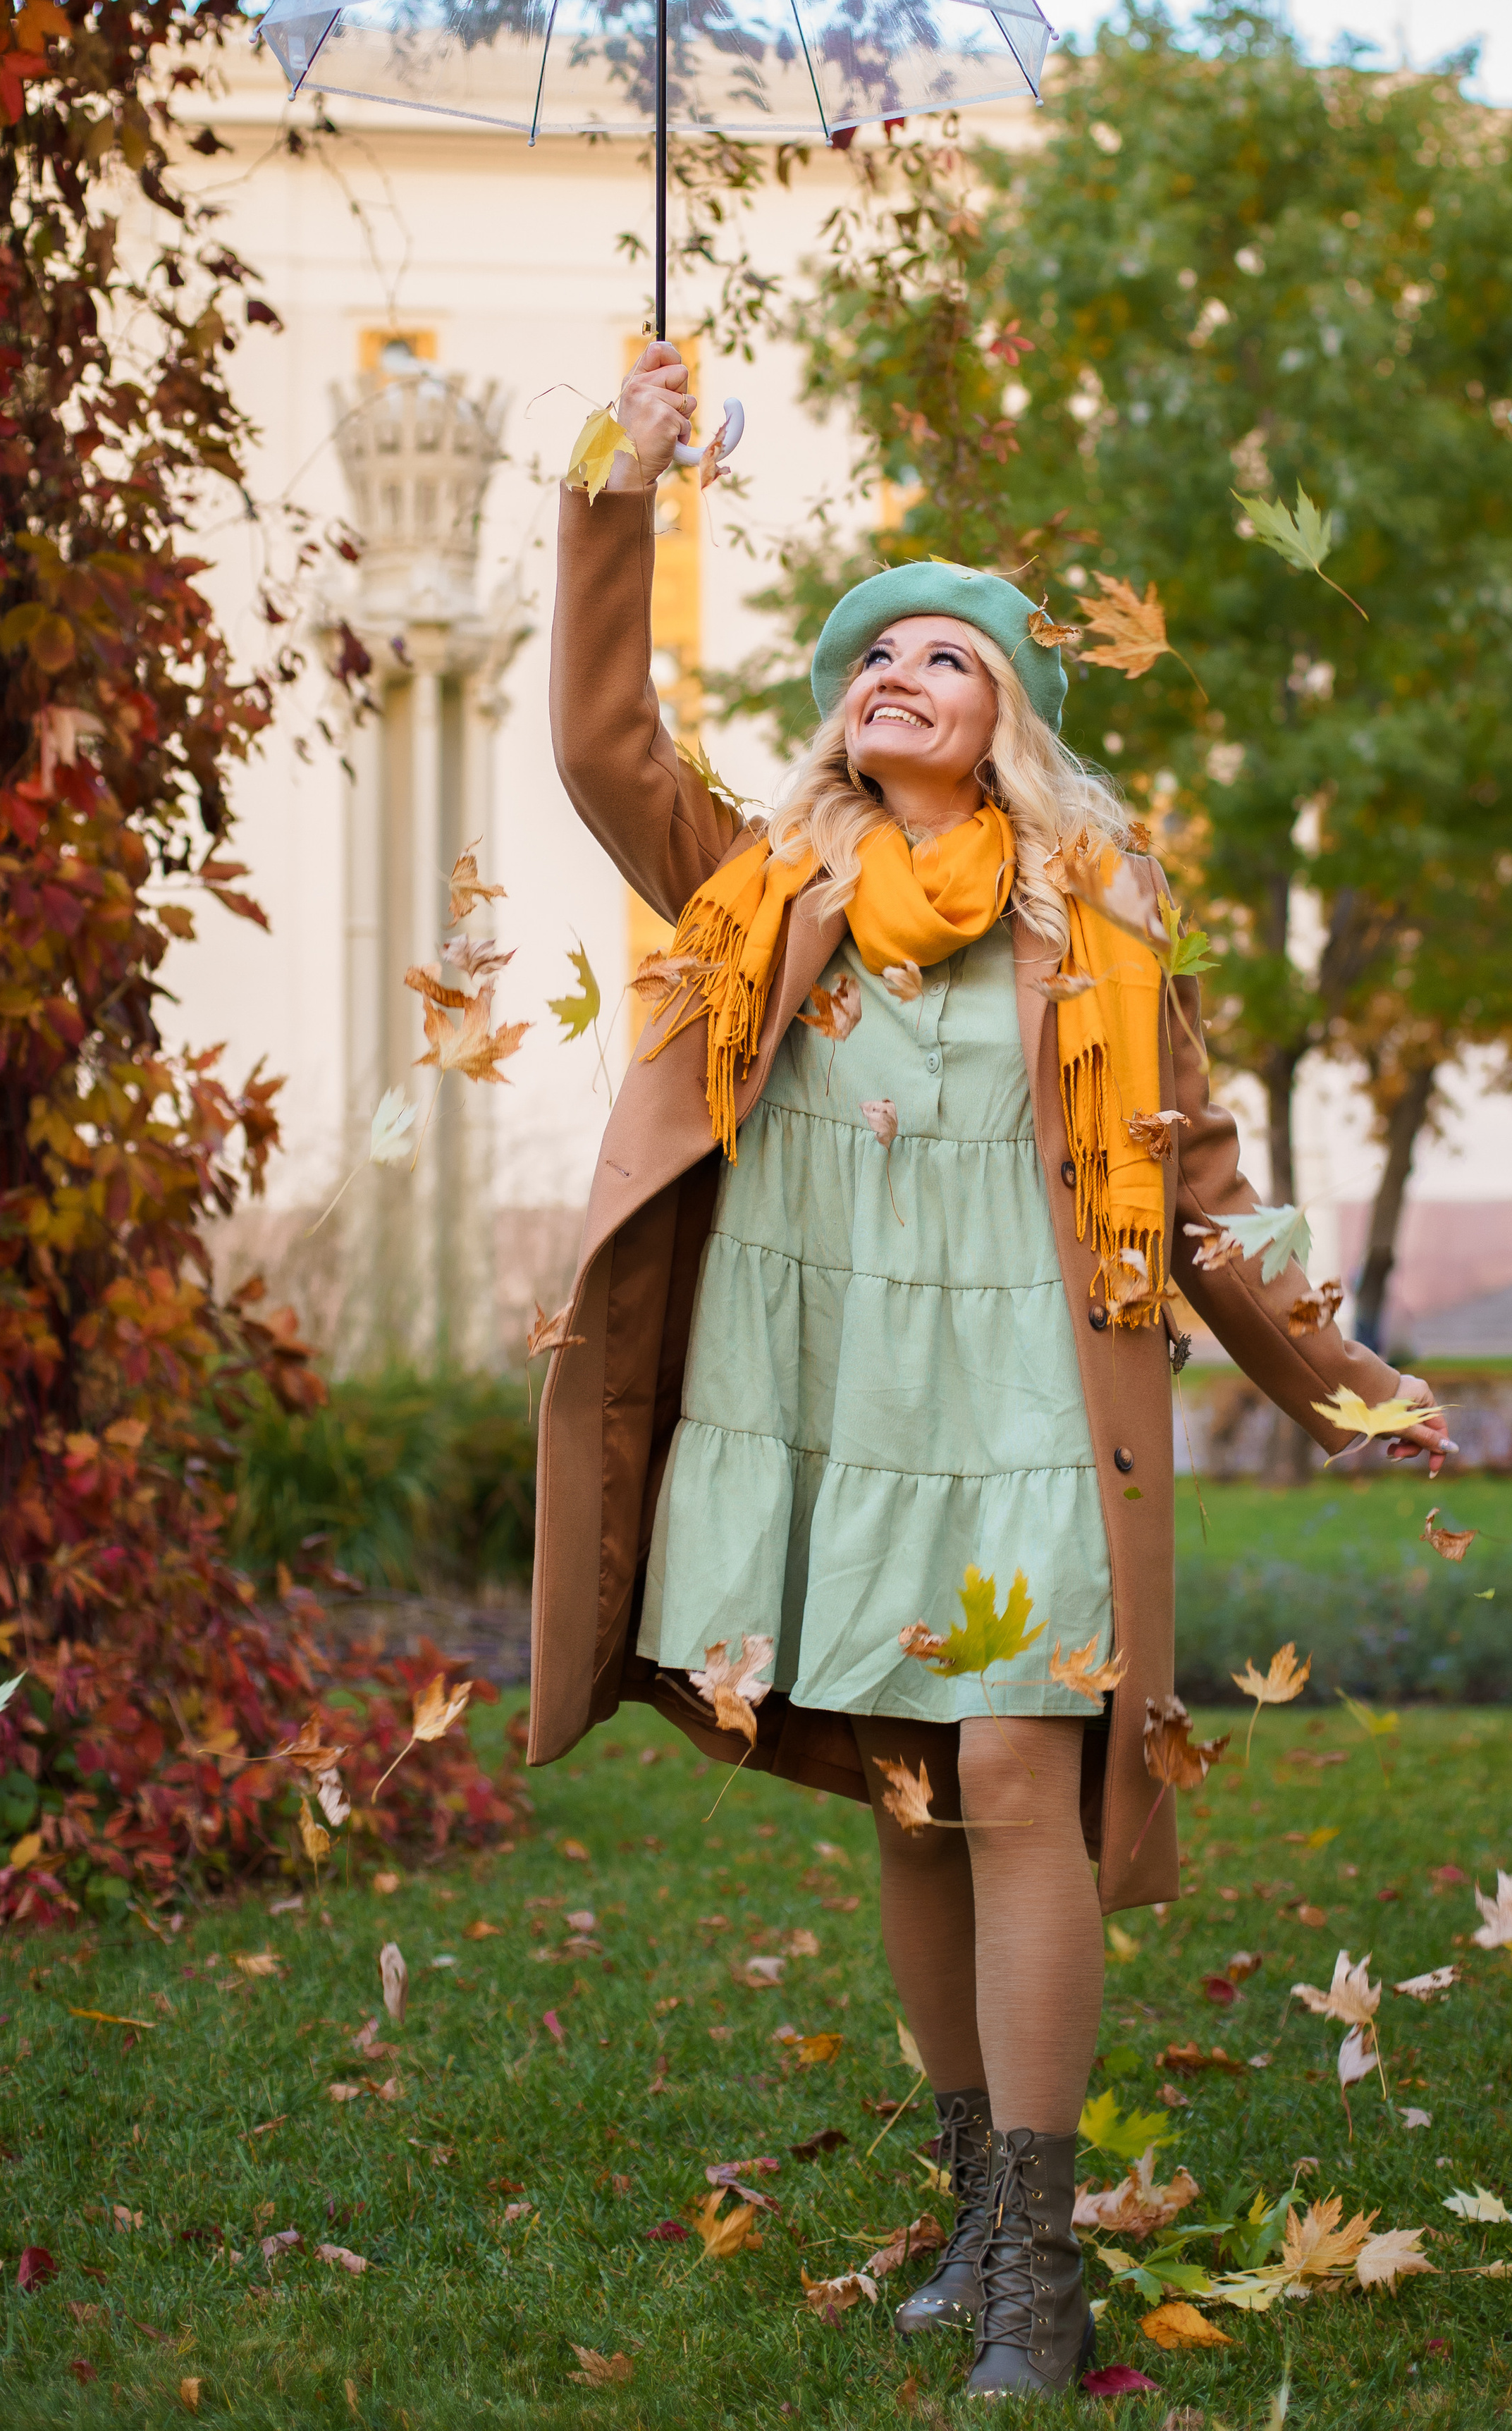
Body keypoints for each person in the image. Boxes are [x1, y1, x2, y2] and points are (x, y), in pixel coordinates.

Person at [529, 342, 1450, 2402]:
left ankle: (1044, 2270)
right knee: (909, 1794)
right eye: (872, 655)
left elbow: (1202, 1194)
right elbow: (602, 741)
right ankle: (971, 2210)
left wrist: (1345, 1382)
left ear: (1006, 719)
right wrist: (621, 480)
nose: (899, 672)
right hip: (841, 1402)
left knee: (1022, 1772)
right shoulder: (761, 891)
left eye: (945, 655)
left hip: (1035, 1403)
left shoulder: (1097, 930)